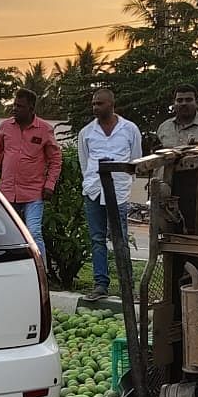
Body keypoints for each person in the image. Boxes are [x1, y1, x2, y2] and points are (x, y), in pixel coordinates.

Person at [77, 87, 141, 299]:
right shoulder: (86, 133)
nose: (95, 107)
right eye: (93, 104)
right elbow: (84, 163)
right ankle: (100, 285)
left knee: (120, 238)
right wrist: (90, 182)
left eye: (100, 103)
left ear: (112, 105)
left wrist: (123, 182)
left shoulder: (129, 129)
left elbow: (135, 160)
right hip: (94, 190)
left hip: (118, 192)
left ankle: (127, 286)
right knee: (97, 239)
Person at [0, 88, 62, 252]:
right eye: (14, 105)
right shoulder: (5, 126)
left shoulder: (45, 129)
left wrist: (50, 185)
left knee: (33, 233)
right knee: (6, 234)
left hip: (33, 194)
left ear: (31, 108)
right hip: (7, 192)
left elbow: (55, 159)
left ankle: (41, 273)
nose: (15, 109)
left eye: (20, 106)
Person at [155, 85, 198, 150]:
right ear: (174, 103)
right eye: (179, 100)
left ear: (197, 102)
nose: (184, 103)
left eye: (188, 100)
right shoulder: (164, 128)